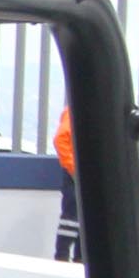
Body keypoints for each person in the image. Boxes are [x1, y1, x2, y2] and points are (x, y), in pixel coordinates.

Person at [51, 108, 82, 263]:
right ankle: (62, 256)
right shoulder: (77, 111)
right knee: (72, 216)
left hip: (80, 172)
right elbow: (61, 139)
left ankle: (79, 258)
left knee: (82, 217)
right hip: (75, 174)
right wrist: (73, 168)